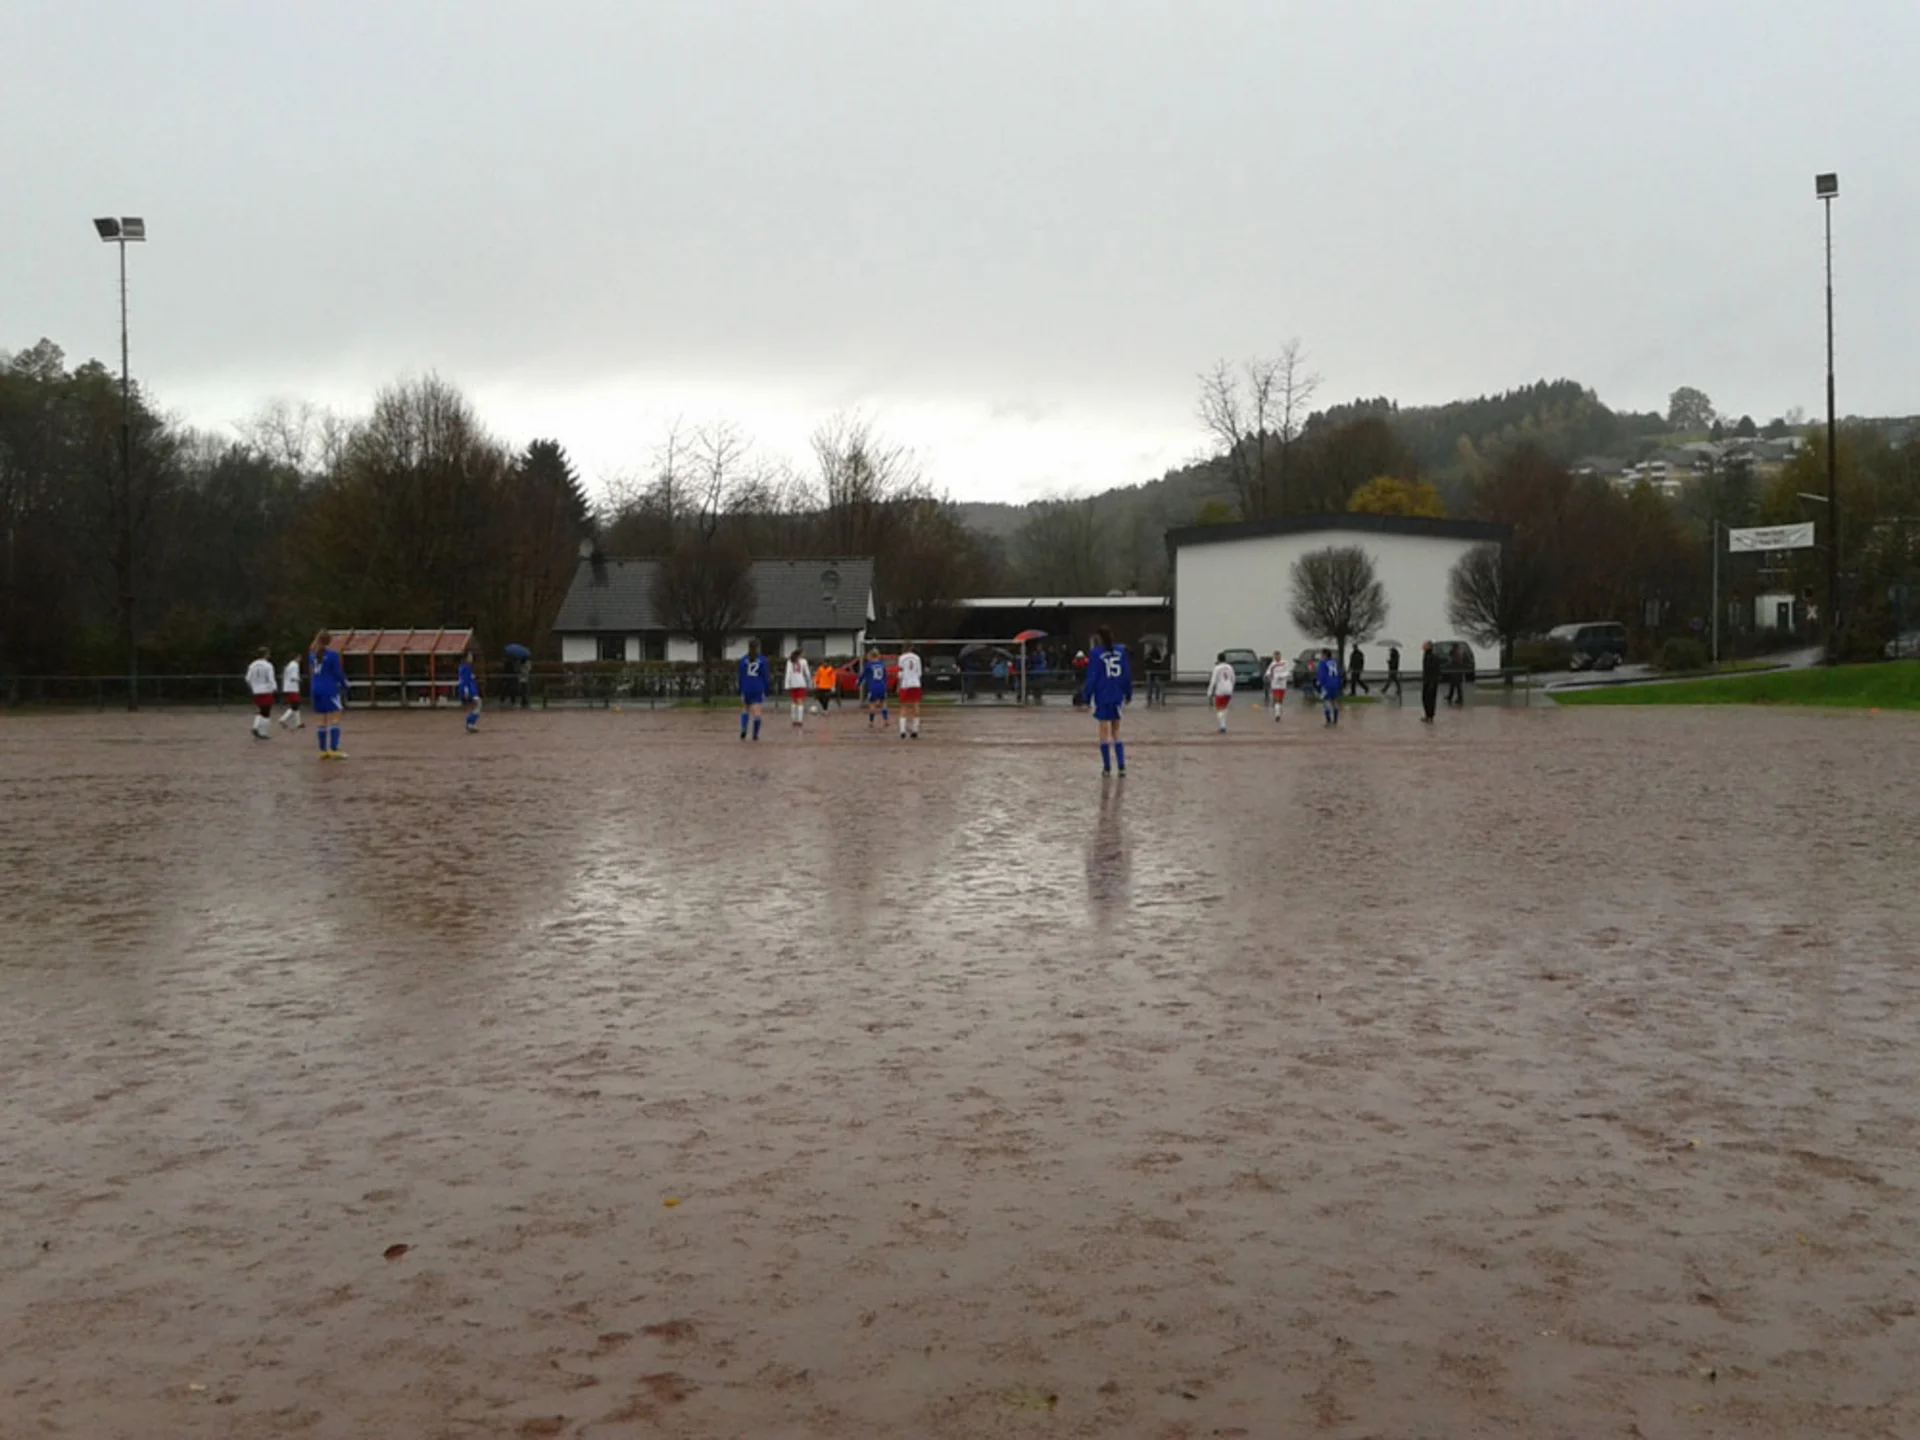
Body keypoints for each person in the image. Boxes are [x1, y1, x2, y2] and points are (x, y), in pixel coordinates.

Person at [1086, 626, 1133, 774]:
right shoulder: (1120, 651)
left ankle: (1107, 767)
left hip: (1102, 695)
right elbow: (1126, 674)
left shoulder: (1095, 653)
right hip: (1117, 694)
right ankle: (1121, 766)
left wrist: (1087, 696)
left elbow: (1092, 678)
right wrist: (1128, 693)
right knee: (1116, 731)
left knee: (1103, 730)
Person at [308, 629, 347, 758]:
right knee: (335, 718)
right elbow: (337, 673)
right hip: (329, 689)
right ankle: (334, 749)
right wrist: (344, 684)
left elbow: (313, 671)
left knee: (321, 719)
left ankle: (323, 750)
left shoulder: (312, 655)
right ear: (329, 641)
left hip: (315, 688)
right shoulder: (332, 655)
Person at [737, 638, 770, 741]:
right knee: (757, 713)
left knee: (745, 709)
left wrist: (740, 689)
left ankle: (743, 728)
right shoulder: (762, 660)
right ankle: (755, 734)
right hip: (757, 687)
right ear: (758, 647)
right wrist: (766, 689)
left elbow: (740, 676)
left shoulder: (743, 660)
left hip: (746, 687)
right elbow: (765, 676)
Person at [246, 647, 277, 740]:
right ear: (266, 654)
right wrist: (274, 687)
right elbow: (271, 678)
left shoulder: (252, 665)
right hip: (266, 690)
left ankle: (256, 726)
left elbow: (247, 678)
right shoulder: (268, 665)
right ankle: (263, 732)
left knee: (261, 710)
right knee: (266, 712)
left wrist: (253, 686)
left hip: (256, 690)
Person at [896, 643, 924, 738]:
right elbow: (919, 673)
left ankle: (902, 731)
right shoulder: (917, 658)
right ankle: (915, 730)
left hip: (905, 684)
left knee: (903, 707)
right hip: (916, 683)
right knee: (915, 705)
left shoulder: (901, 658)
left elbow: (900, 673)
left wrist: (898, 686)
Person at [1207, 652, 1237, 733]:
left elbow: (1213, 681)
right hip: (1229, 689)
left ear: (1218, 659)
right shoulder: (1230, 667)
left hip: (1220, 690)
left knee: (1219, 708)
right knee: (1224, 708)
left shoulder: (1217, 668)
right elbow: (1233, 678)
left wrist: (1209, 692)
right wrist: (1232, 688)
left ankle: (1222, 726)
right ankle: (1223, 724)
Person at [860, 648, 890, 728]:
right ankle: (886, 720)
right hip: (882, 685)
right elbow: (885, 676)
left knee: (872, 704)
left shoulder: (868, 665)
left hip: (873, 686)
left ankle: (871, 722)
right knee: (883, 703)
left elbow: (863, 676)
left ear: (870, 656)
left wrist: (858, 682)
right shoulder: (882, 664)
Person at [784, 648, 811, 729]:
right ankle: (799, 721)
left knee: (793, 702)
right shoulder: (804, 661)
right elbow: (807, 673)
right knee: (800, 702)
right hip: (801, 683)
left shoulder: (789, 661)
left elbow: (788, 673)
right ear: (800, 654)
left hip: (792, 683)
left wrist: (786, 685)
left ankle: (794, 720)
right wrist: (809, 683)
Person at [1315, 647, 1343, 726]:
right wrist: (1339, 683)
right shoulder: (1334, 662)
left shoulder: (1323, 663)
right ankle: (1335, 720)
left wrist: (1319, 683)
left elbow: (1322, 674)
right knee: (1334, 701)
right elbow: (1339, 673)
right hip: (1335, 684)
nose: (1321, 656)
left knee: (1326, 701)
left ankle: (1328, 720)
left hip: (1327, 684)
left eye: (1322, 654)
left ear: (1325, 655)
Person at [457, 649, 482, 733]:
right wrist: (466, 691)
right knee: (478, 704)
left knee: (475, 705)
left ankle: (471, 723)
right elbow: (465, 680)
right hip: (469, 690)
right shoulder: (466, 667)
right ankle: (470, 722)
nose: (471, 658)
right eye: (470, 656)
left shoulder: (464, 667)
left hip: (469, 689)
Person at [278, 653, 304, 729]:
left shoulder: (288, 665)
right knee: (295, 705)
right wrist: (299, 679)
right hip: (293, 688)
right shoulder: (295, 665)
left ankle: (298, 723)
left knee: (295, 705)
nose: (300, 659)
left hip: (288, 687)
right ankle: (283, 719)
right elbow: (294, 677)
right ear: (296, 657)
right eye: (299, 657)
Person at [1264, 649, 1289, 722]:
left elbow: (1287, 672)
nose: (1277, 657)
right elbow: (1268, 672)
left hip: (1283, 684)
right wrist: (1268, 675)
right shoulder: (1272, 664)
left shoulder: (1284, 663)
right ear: (1274, 657)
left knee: (1281, 700)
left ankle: (1279, 712)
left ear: (1280, 656)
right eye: (1275, 656)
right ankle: (1277, 715)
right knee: (1277, 699)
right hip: (1275, 684)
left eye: (1278, 655)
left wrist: (1282, 676)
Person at [1420, 639, 1440, 723]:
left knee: (1430, 698)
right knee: (1425, 698)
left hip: (1431, 681)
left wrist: (1432, 681)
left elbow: (1435, 670)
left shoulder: (1432, 657)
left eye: (1425, 645)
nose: (1423, 646)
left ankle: (1430, 715)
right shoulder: (1426, 656)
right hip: (1427, 680)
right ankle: (1428, 715)